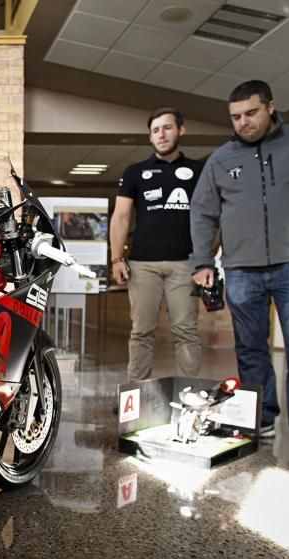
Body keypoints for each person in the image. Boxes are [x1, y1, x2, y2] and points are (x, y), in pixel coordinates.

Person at [189, 80, 289, 456]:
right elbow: (203, 212)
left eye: (251, 113)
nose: (243, 122)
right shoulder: (221, 159)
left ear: (271, 107)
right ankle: (259, 416)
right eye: (235, 117)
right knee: (250, 347)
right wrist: (202, 261)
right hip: (241, 267)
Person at [110, 107, 204, 381]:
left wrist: (205, 258)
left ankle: (191, 397)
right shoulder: (135, 172)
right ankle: (136, 394)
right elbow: (122, 216)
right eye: (155, 130)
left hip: (185, 264)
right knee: (141, 332)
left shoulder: (199, 171)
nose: (161, 135)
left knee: (186, 331)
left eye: (167, 128)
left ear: (181, 130)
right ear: (150, 137)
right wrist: (117, 259)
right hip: (142, 264)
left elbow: (212, 216)